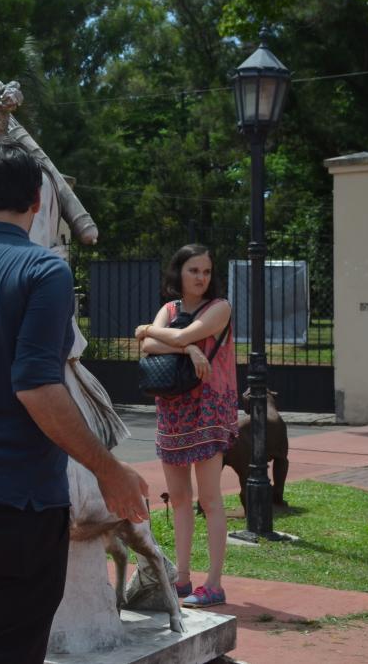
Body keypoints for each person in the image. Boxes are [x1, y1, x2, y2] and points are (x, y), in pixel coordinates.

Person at [0, 141, 149, 663]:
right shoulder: (44, 272)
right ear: (38, 201)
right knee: (11, 647)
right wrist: (110, 471)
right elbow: (37, 386)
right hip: (21, 499)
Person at [136, 244, 236, 608]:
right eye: (194, 270)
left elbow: (161, 337)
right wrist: (189, 350)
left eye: (206, 272)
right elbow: (147, 347)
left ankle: (214, 584)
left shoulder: (219, 307)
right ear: (179, 272)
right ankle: (181, 579)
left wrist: (153, 332)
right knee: (178, 498)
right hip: (173, 407)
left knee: (209, 499)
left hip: (208, 407)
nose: (201, 278)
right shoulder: (170, 308)